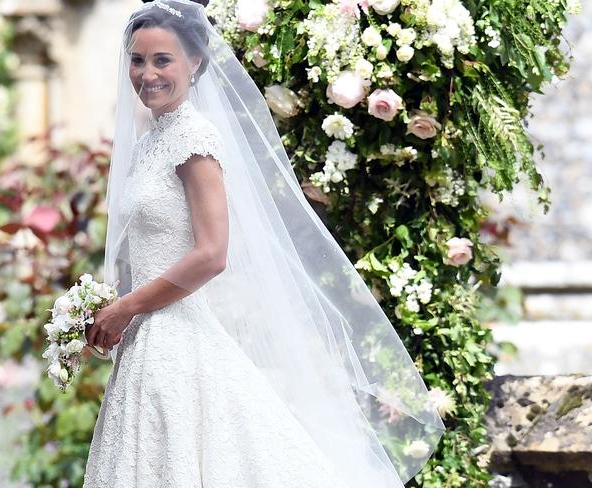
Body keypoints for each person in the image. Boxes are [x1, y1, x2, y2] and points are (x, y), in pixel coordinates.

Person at [82, 1, 445, 486]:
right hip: (147, 337)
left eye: (162, 59)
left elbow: (212, 255)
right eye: (137, 59)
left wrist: (127, 306)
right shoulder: (151, 141)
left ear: (196, 63)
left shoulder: (193, 139)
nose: (147, 73)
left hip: (176, 333)